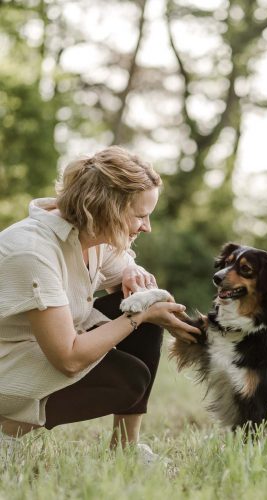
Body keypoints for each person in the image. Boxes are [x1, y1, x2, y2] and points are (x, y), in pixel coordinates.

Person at [0, 146, 200, 458]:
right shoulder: (33, 251)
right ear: (108, 209)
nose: (147, 227)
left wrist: (136, 275)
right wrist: (140, 315)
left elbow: (135, 280)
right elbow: (68, 358)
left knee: (138, 303)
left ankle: (126, 448)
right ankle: (5, 436)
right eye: (140, 216)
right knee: (128, 376)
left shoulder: (94, 235)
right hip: (8, 365)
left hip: (36, 349)